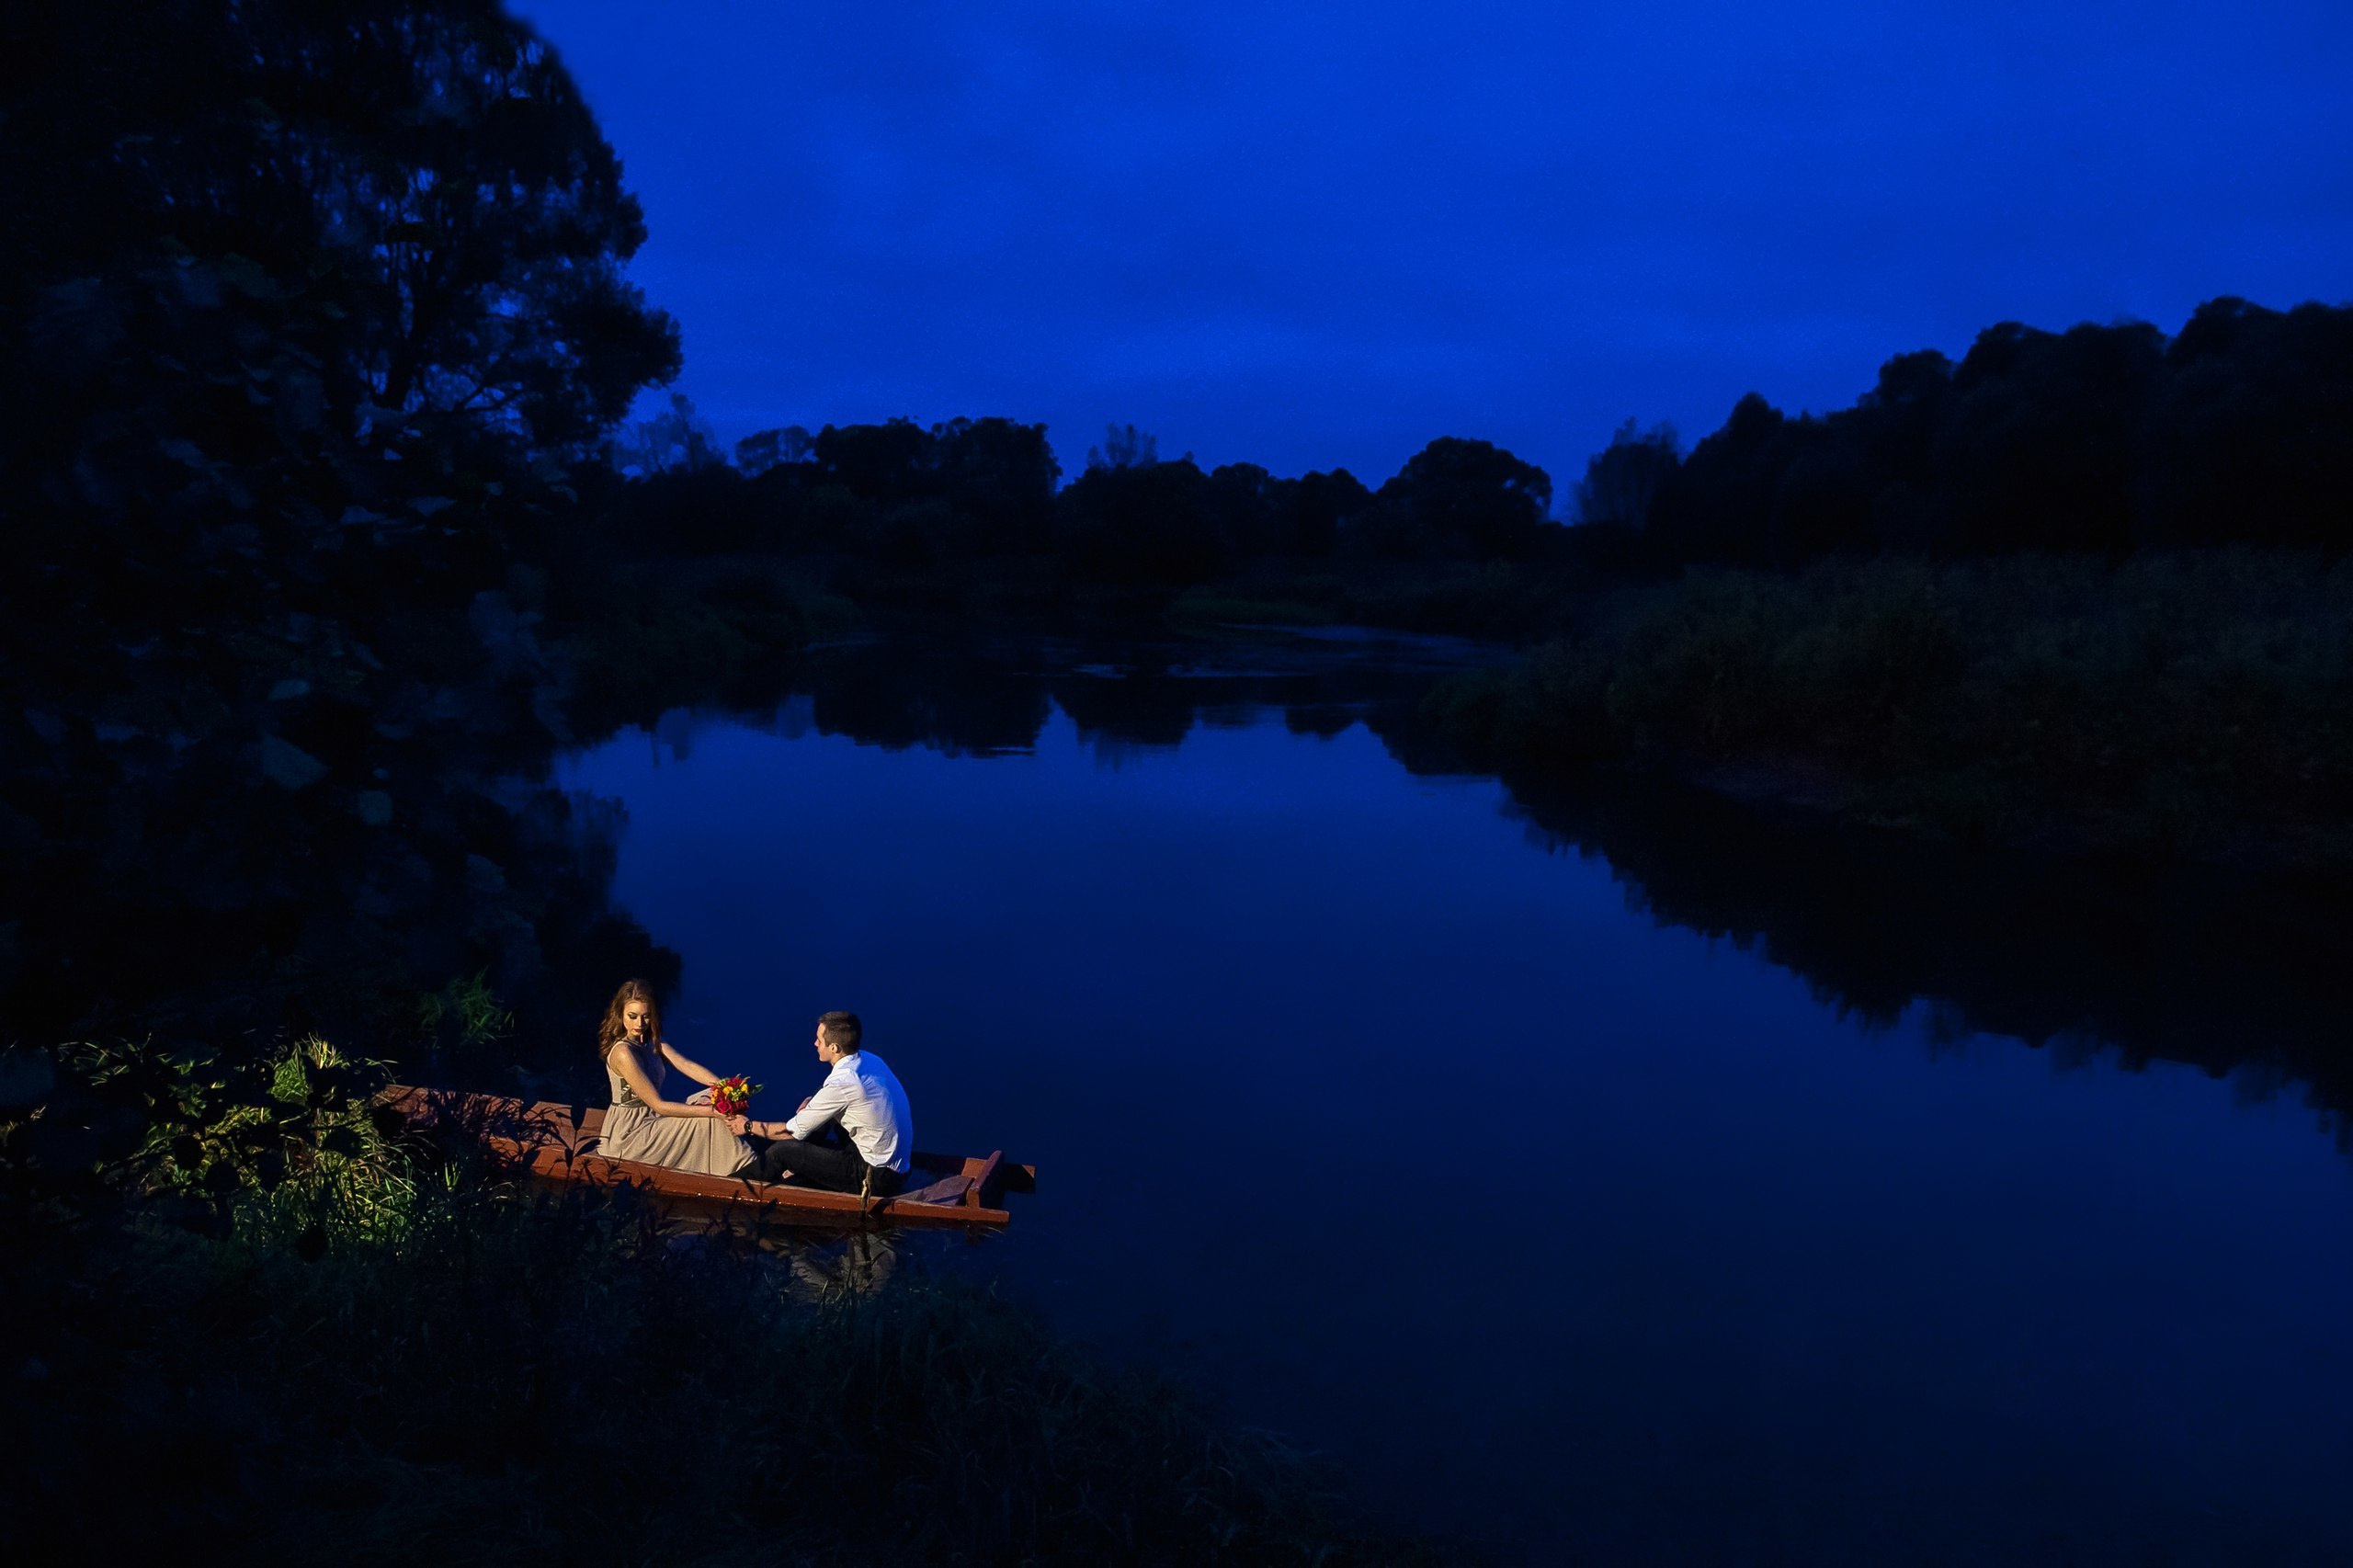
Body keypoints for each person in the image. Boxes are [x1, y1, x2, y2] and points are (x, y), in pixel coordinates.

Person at [595, 979, 756, 1179]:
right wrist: (713, 1112)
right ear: (620, 1014)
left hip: (651, 1119)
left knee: (710, 1096)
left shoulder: (652, 1043)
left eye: (645, 1016)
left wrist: (726, 1088)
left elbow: (687, 1065)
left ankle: (740, 1162)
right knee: (710, 1120)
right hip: (630, 1133)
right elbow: (659, 1105)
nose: (640, 1023)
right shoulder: (623, 1053)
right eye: (632, 1016)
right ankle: (751, 1170)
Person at [745, 1011, 911, 1196]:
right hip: (894, 1167)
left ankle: (731, 1184)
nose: (815, 1043)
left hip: (874, 1177)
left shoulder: (845, 1083)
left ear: (834, 1047)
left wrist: (747, 1126)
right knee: (820, 1097)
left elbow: (791, 1133)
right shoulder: (869, 1060)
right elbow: (836, 1094)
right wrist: (813, 1101)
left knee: (782, 1151)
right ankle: (799, 1164)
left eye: (819, 1040)